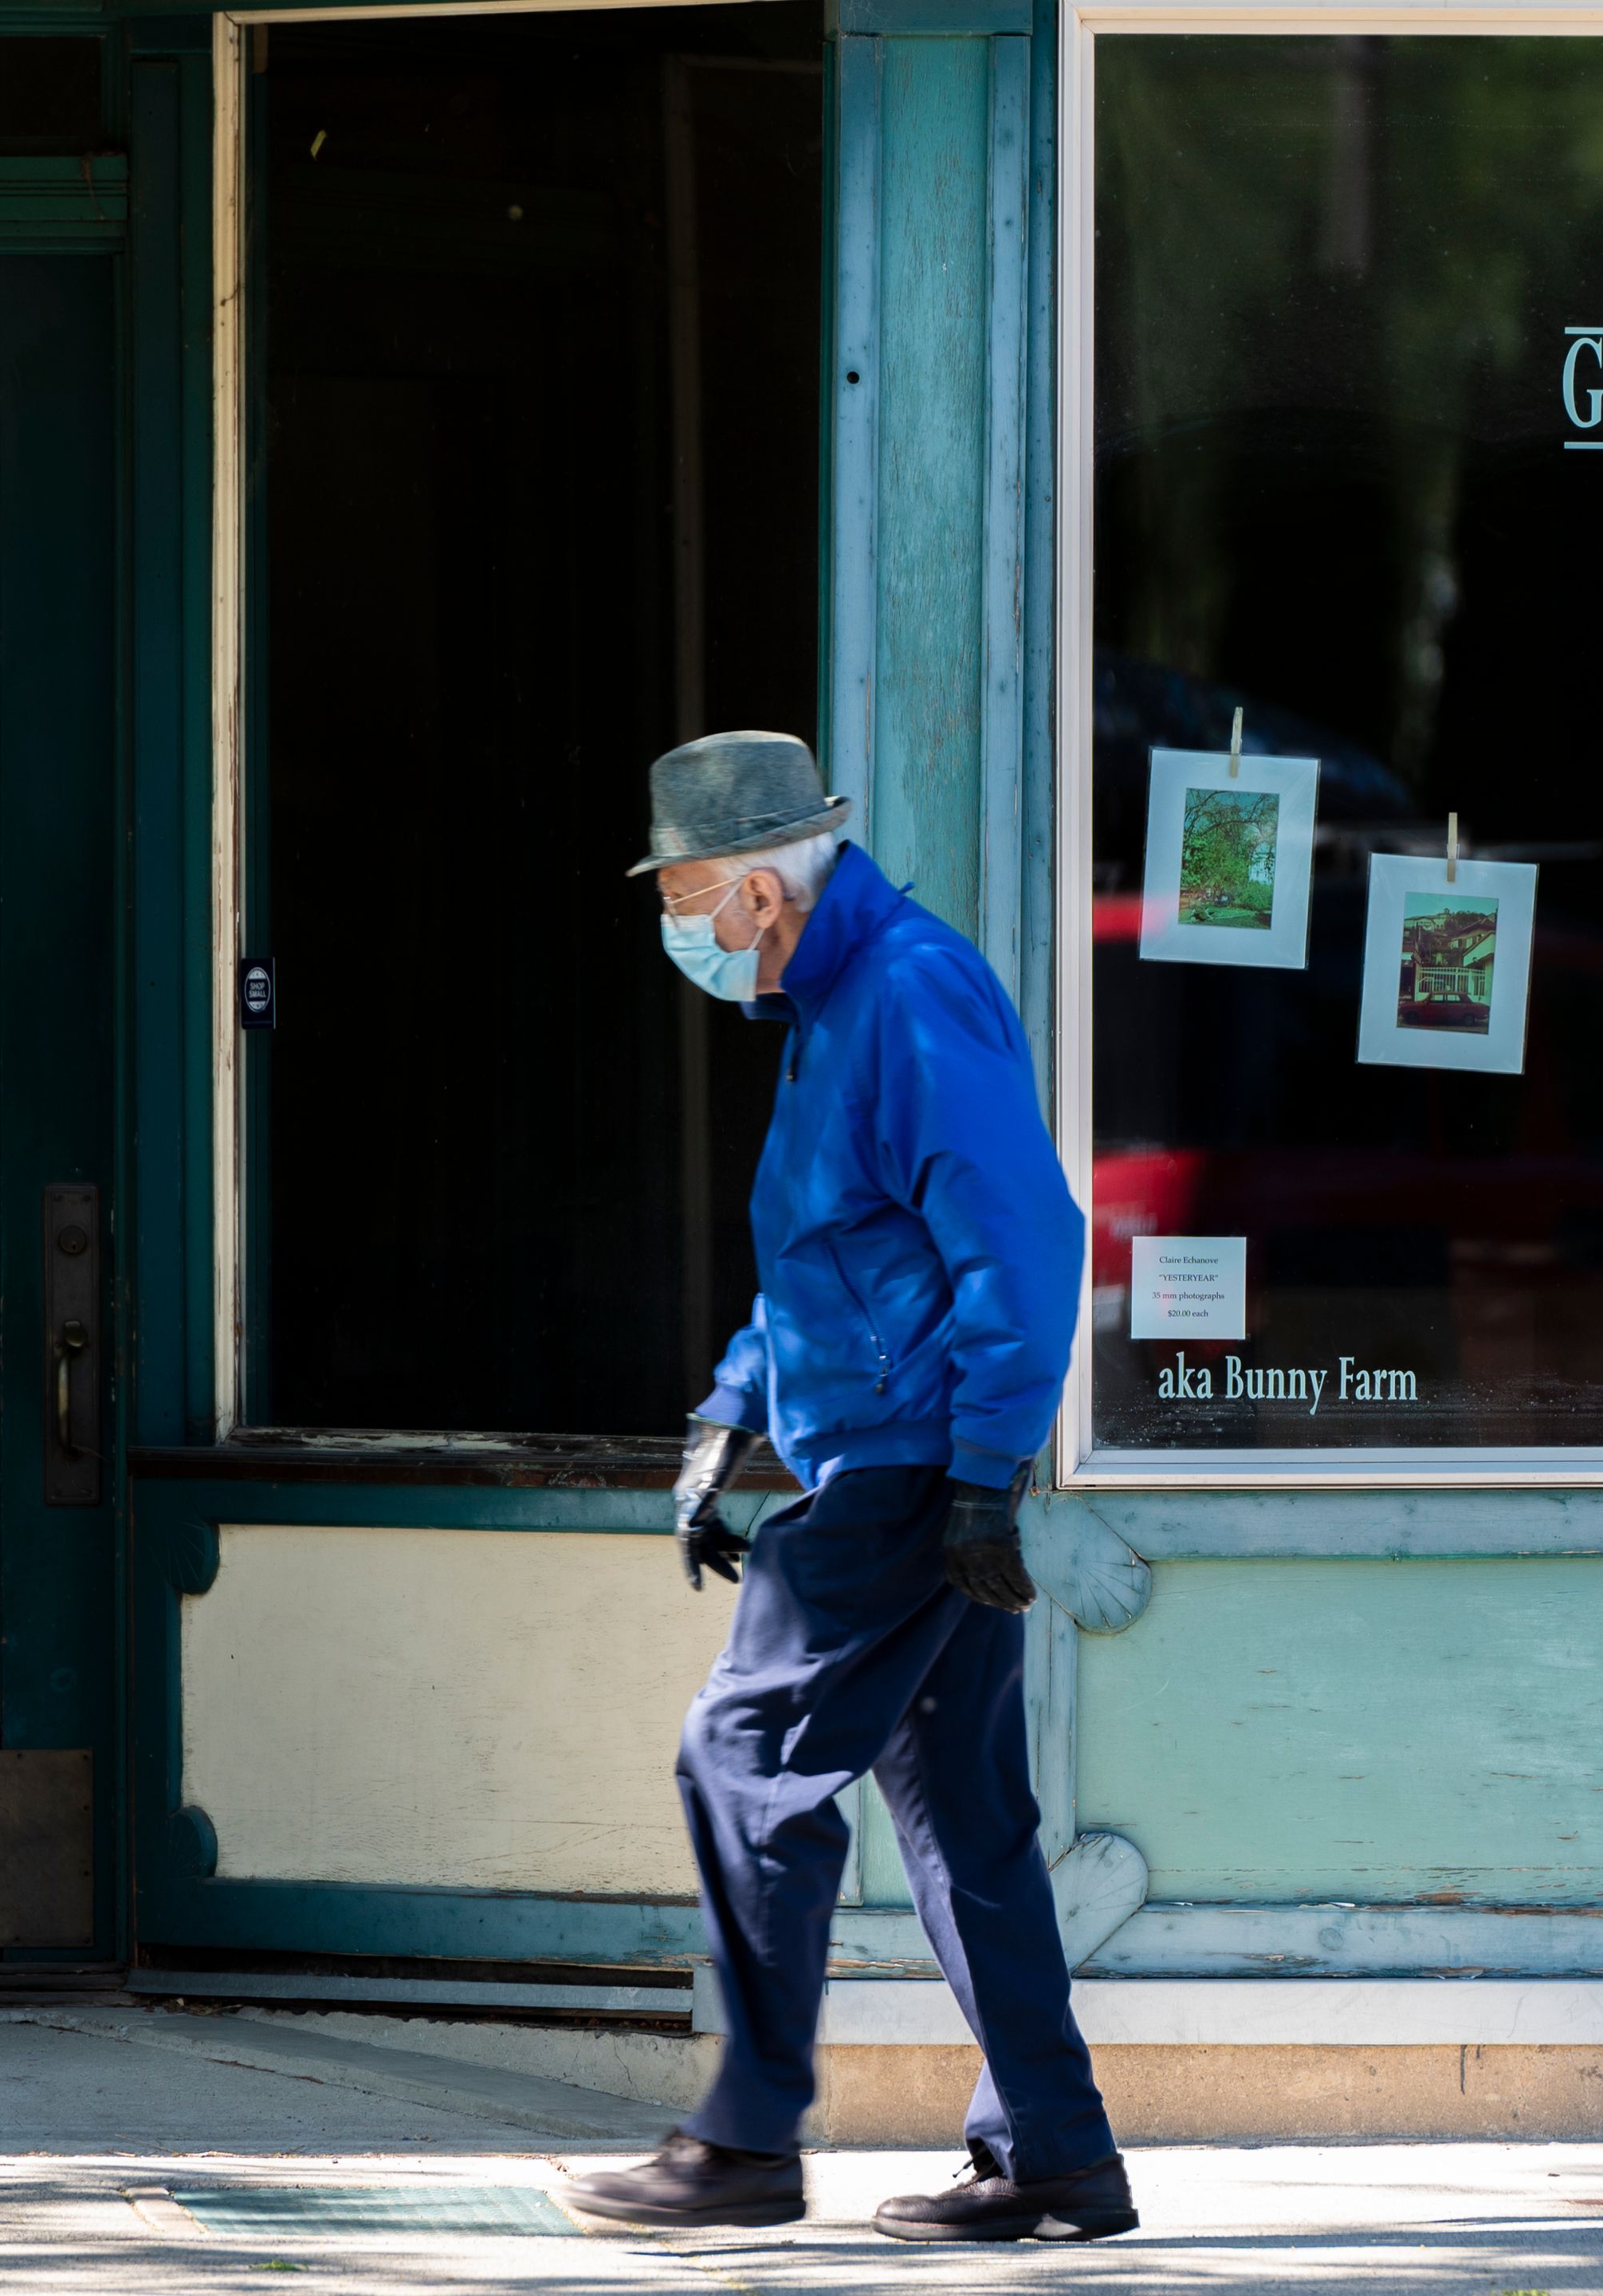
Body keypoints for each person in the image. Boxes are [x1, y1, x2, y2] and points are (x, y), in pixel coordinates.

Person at [563, 731, 1133, 2245]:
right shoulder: (829, 1006)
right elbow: (827, 1265)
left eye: (686, 896)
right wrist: (725, 1420)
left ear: (758, 887)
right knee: (967, 1822)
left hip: (905, 1463)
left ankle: (745, 2142)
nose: (677, 926)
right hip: (892, 1448)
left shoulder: (907, 992)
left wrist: (979, 1476)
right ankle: (1060, 2156)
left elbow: (1022, 1241)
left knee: (741, 1760)